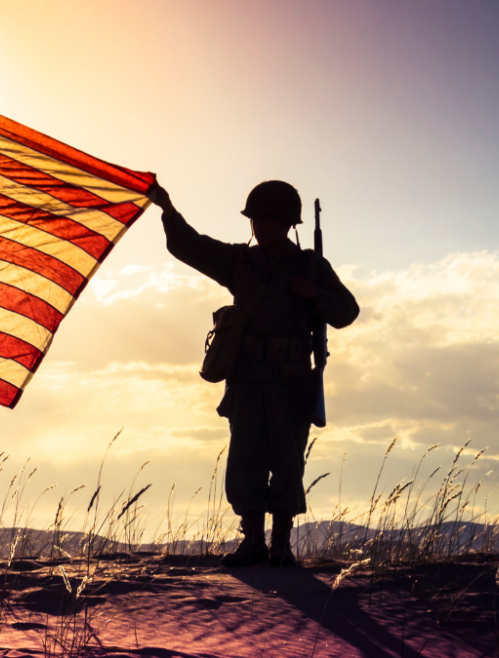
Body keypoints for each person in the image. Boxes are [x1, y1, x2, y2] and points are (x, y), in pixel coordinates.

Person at [146, 180, 358, 567]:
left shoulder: (310, 266)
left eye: (269, 220)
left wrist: (316, 295)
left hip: (291, 382)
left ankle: (281, 545)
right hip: (245, 379)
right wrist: (167, 209)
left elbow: (348, 311)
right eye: (256, 219)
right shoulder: (240, 263)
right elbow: (191, 246)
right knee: (246, 461)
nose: (260, 226)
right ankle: (252, 543)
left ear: (287, 223)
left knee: (288, 462)